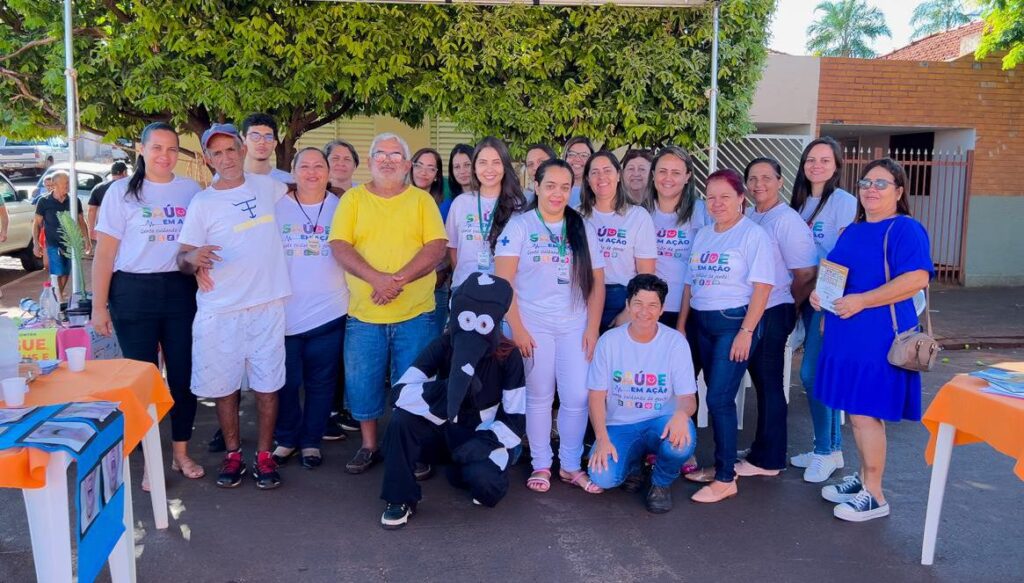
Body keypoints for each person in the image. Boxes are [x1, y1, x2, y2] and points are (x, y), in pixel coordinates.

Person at [812, 158, 932, 522]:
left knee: (865, 415)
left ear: (898, 191)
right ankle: (863, 478)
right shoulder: (852, 230)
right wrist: (821, 295)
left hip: (878, 335)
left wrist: (862, 300)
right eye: (866, 182)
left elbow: (916, 279)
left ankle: (875, 495)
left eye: (881, 183)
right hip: (846, 333)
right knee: (854, 411)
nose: (871, 189)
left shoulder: (905, 229)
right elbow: (836, 275)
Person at [177, 123, 290, 490]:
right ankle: (233, 454)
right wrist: (194, 259)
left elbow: (308, 184)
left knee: (268, 384)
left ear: (242, 150)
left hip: (266, 304)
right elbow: (182, 257)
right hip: (221, 309)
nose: (225, 158)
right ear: (208, 159)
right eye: (217, 153)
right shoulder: (203, 202)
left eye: (230, 150)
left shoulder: (268, 185)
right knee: (225, 386)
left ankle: (263, 455)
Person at [91, 122, 205, 481]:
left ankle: (180, 453)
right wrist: (99, 306)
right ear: (141, 150)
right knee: (143, 380)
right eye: (156, 148)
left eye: (172, 149)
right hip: (132, 293)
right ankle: (150, 461)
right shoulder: (120, 192)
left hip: (180, 291)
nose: (164, 156)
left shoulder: (191, 190)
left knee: (184, 378)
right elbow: (105, 254)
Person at [328, 133, 447, 474]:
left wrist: (397, 281)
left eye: (396, 155)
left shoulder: (421, 201)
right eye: (381, 154)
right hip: (365, 313)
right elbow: (340, 246)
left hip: (416, 313)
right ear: (370, 162)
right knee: (362, 383)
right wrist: (377, 279)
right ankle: (369, 446)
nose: (388, 160)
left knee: (413, 384)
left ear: (407, 165)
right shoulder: (352, 200)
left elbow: (435, 247)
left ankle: (411, 447)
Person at [380, 272, 525, 529]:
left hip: (481, 435)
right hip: (444, 426)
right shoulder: (443, 345)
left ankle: (466, 468)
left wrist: (484, 443)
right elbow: (399, 393)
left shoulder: (508, 356)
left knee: (485, 487)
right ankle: (399, 498)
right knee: (401, 421)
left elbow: (515, 418)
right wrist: (449, 389)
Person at [495, 158, 605, 495]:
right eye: (550, 186)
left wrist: (593, 328)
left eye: (564, 187)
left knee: (576, 395)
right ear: (537, 186)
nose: (557, 193)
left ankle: (571, 466)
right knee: (539, 395)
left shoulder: (581, 226)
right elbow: (503, 283)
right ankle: (541, 463)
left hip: (575, 324)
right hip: (532, 323)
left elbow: (597, 284)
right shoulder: (520, 226)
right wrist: (519, 328)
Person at [677, 168, 775, 503]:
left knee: (719, 398)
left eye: (725, 197)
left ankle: (725, 477)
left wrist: (746, 331)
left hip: (733, 324)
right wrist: (681, 326)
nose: (717, 203)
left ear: (740, 200)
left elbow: (763, 288)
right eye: (712, 197)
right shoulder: (704, 234)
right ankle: (717, 465)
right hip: (699, 323)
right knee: (699, 394)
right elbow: (690, 284)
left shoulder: (752, 235)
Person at [734, 158, 817, 478]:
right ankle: (762, 448)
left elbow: (806, 273)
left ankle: (769, 460)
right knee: (762, 382)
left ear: (780, 182)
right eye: (752, 179)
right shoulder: (754, 214)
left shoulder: (787, 221)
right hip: (759, 309)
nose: (759, 185)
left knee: (769, 384)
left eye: (766, 178)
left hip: (775, 309)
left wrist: (790, 305)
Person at [587, 274, 698, 513]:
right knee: (602, 477)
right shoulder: (609, 341)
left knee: (680, 444)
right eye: (637, 303)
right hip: (620, 424)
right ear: (627, 305)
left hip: (661, 423)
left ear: (661, 309)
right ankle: (633, 466)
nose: (644, 312)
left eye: (652, 305)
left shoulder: (675, 342)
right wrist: (602, 439)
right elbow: (596, 395)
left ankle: (661, 482)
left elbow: (688, 398)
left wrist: (681, 416)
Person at [271, 147, 349, 469]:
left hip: (331, 311)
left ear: (329, 172)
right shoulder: (277, 207)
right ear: (294, 170)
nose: (313, 172)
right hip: (286, 313)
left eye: (320, 166)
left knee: (322, 382)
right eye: (305, 166)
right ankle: (287, 438)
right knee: (287, 381)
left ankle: (311, 441)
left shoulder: (344, 207)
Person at [789, 136, 858, 483]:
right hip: (805, 297)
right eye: (811, 160)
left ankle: (823, 451)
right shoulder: (800, 202)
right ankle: (830, 449)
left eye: (824, 160)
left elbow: (845, 254)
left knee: (812, 375)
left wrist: (825, 293)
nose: (816, 166)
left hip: (827, 301)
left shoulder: (844, 202)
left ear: (836, 166)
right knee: (818, 374)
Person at [578, 151, 656, 332]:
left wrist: (630, 311)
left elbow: (646, 273)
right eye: (595, 172)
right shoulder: (576, 216)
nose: (601, 177)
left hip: (621, 298)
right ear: (587, 179)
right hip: (583, 297)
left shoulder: (638, 216)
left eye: (607, 170)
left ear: (618, 175)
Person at [446, 137, 526, 290]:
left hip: (504, 290)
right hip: (464, 287)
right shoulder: (460, 203)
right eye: (483, 162)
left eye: (496, 162)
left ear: (504, 166)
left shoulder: (517, 206)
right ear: (474, 167)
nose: (489, 169)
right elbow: (453, 248)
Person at [323, 138, 361, 437]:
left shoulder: (362, 197)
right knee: (330, 354)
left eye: (346, 158)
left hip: (357, 286)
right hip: (326, 287)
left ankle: (348, 407)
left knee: (352, 353)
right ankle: (328, 411)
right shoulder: (313, 197)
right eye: (334, 158)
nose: (340, 163)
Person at [410, 147, 452, 338]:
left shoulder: (445, 203)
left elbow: (449, 241)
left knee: (433, 342)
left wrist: (443, 271)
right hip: (406, 282)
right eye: (419, 166)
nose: (423, 172)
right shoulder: (397, 199)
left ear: (437, 175)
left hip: (437, 280)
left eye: (430, 168)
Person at [33, 171, 91, 298]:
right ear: (55, 184)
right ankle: (56, 298)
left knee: (66, 272)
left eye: (69, 182)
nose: (68, 185)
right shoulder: (44, 201)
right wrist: (36, 244)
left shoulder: (74, 200)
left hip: (71, 243)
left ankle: (55, 296)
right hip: (53, 244)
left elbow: (81, 221)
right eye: (66, 183)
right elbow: (36, 223)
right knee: (57, 271)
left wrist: (87, 240)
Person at [240, 112, 294, 184]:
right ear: (243, 140)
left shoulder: (288, 182)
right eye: (255, 136)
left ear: (274, 144)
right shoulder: (225, 180)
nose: (262, 142)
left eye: (268, 137)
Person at [87, 161, 129, 241]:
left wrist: (91, 230)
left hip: (104, 230)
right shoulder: (128, 188)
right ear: (124, 172)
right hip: (125, 230)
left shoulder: (98, 188)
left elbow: (91, 210)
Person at [562, 136, 593, 209]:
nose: (577, 159)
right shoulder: (553, 188)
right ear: (565, 157)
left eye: (584, 155)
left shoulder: (597, 189)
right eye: (572, 154)